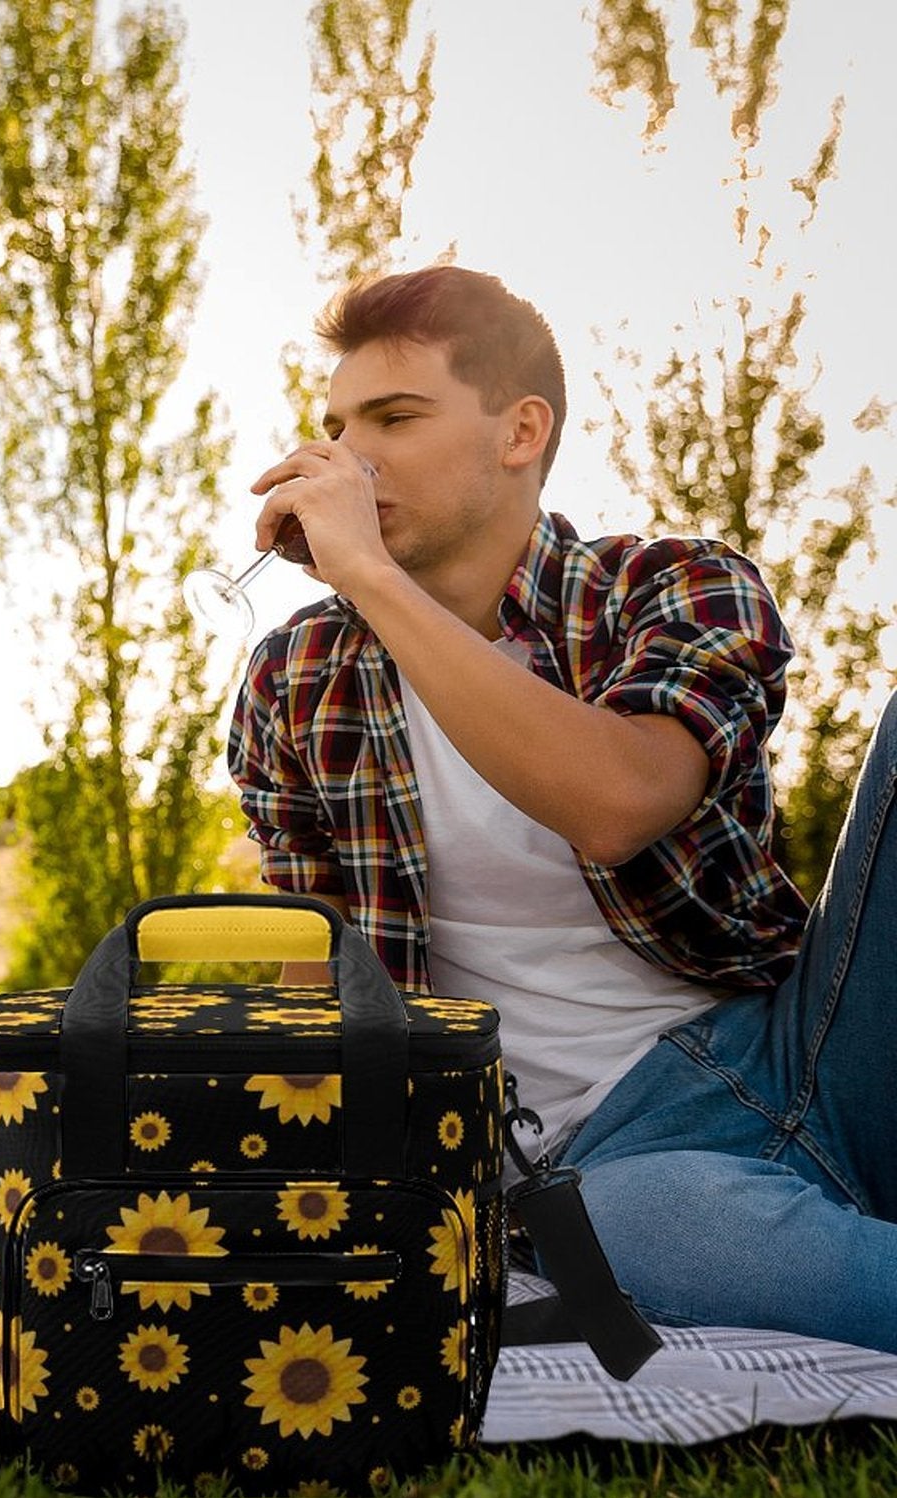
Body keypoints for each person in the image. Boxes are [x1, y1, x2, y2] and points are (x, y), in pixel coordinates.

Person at [229, 264, 897, 1353]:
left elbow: (622, 799)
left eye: (395, 417)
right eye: (337, 425)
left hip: (795, 1053)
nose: (349, 458)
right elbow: (338, 989)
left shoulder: (672, 586)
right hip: (607, 1165)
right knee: (628, 1231)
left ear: (520, 431)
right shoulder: (296, 679)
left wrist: (375, 581)